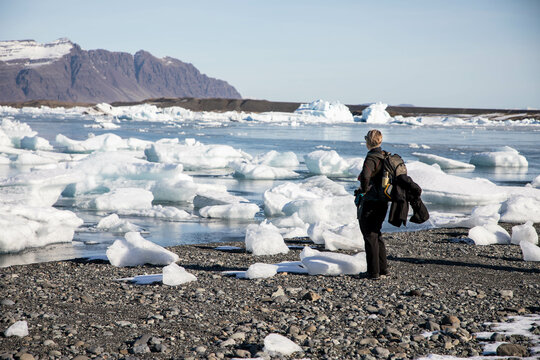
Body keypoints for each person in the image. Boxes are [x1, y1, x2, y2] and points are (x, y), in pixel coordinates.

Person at [356, 129, 389, 280]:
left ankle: (373, 272)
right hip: (383, 201)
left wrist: (362, 191)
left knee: (369, 235)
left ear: (368, 142)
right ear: (380, 141)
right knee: (377, 233)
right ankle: (383, 269)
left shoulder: (371, 157)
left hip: (371, 202)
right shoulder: (384, 156)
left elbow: (366, 176)